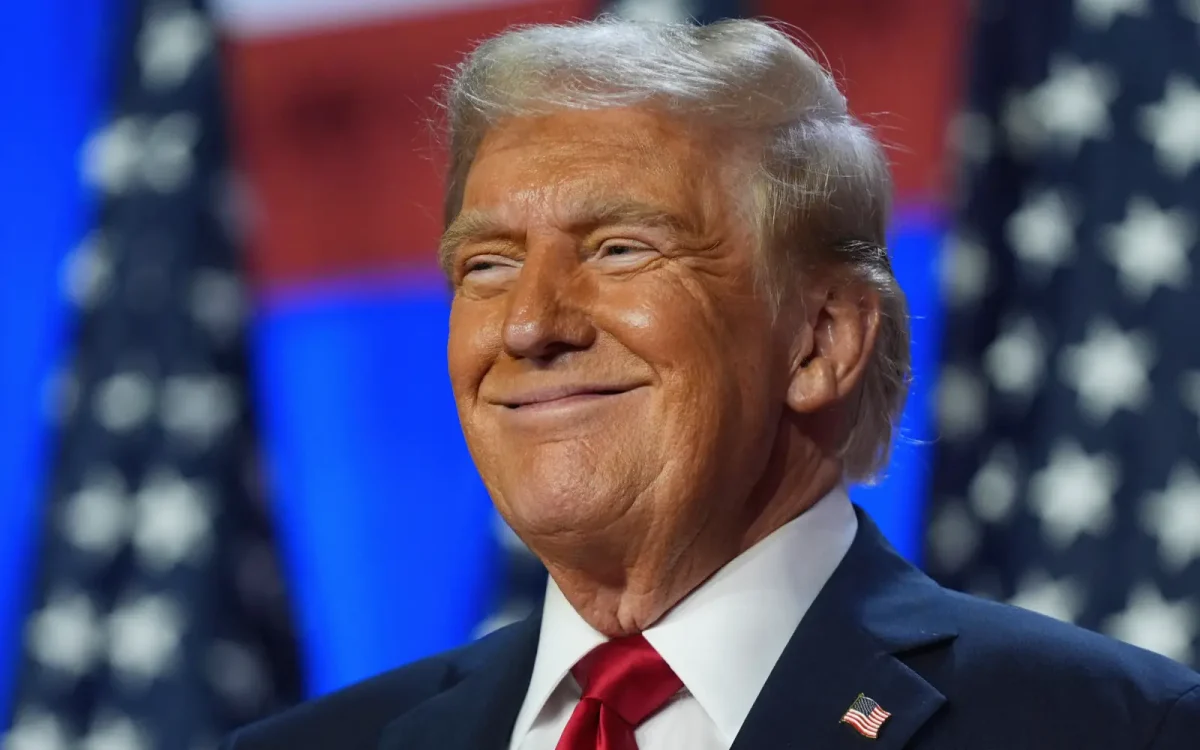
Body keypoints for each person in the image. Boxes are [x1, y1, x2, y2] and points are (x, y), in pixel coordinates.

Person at [222, 16, 1200, 750]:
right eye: (485, 265)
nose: (529, 324)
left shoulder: (1114, 730)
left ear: (820, 339)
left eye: (618, 249)